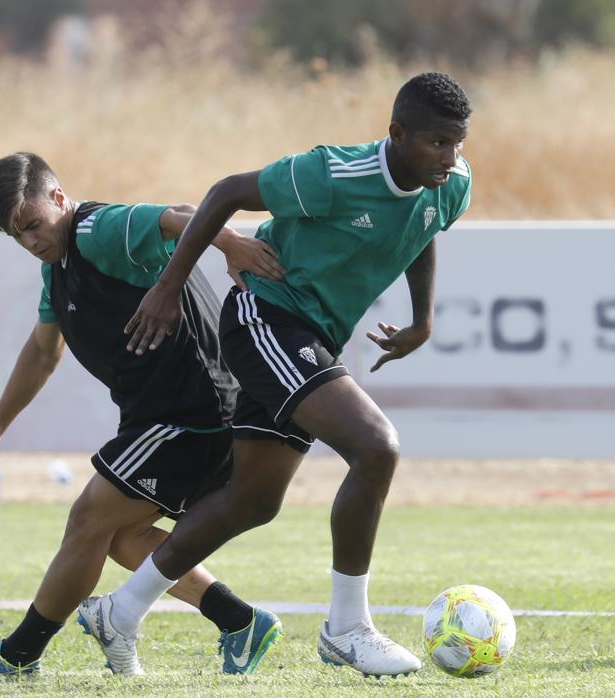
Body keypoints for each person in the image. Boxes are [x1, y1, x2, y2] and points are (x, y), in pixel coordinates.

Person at [97, 72, 473, 678]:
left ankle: (120, 610)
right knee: (376, 447)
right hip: (264, 315)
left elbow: (425, 226)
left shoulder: (451, 183)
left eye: (458, 142)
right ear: (397, 134)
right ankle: (347, 629)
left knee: (252, 500)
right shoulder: (334, 172)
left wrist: (422, 320)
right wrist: (168, 287)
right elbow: (225, 192)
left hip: (311, 337)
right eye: (436, 143)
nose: (450, 157)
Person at [0, 152, 287, 678]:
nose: (30, 241)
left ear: (58, 199)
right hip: (165, 418)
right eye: (16, 235)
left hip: (194, 413)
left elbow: (177, 214)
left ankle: (17, 657)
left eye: (33, 224)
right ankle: (240, 621)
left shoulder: (95, 229)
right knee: (122, 538)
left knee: (86, 519)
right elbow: (41, 352)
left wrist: (232, 243)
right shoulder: (56, 269)